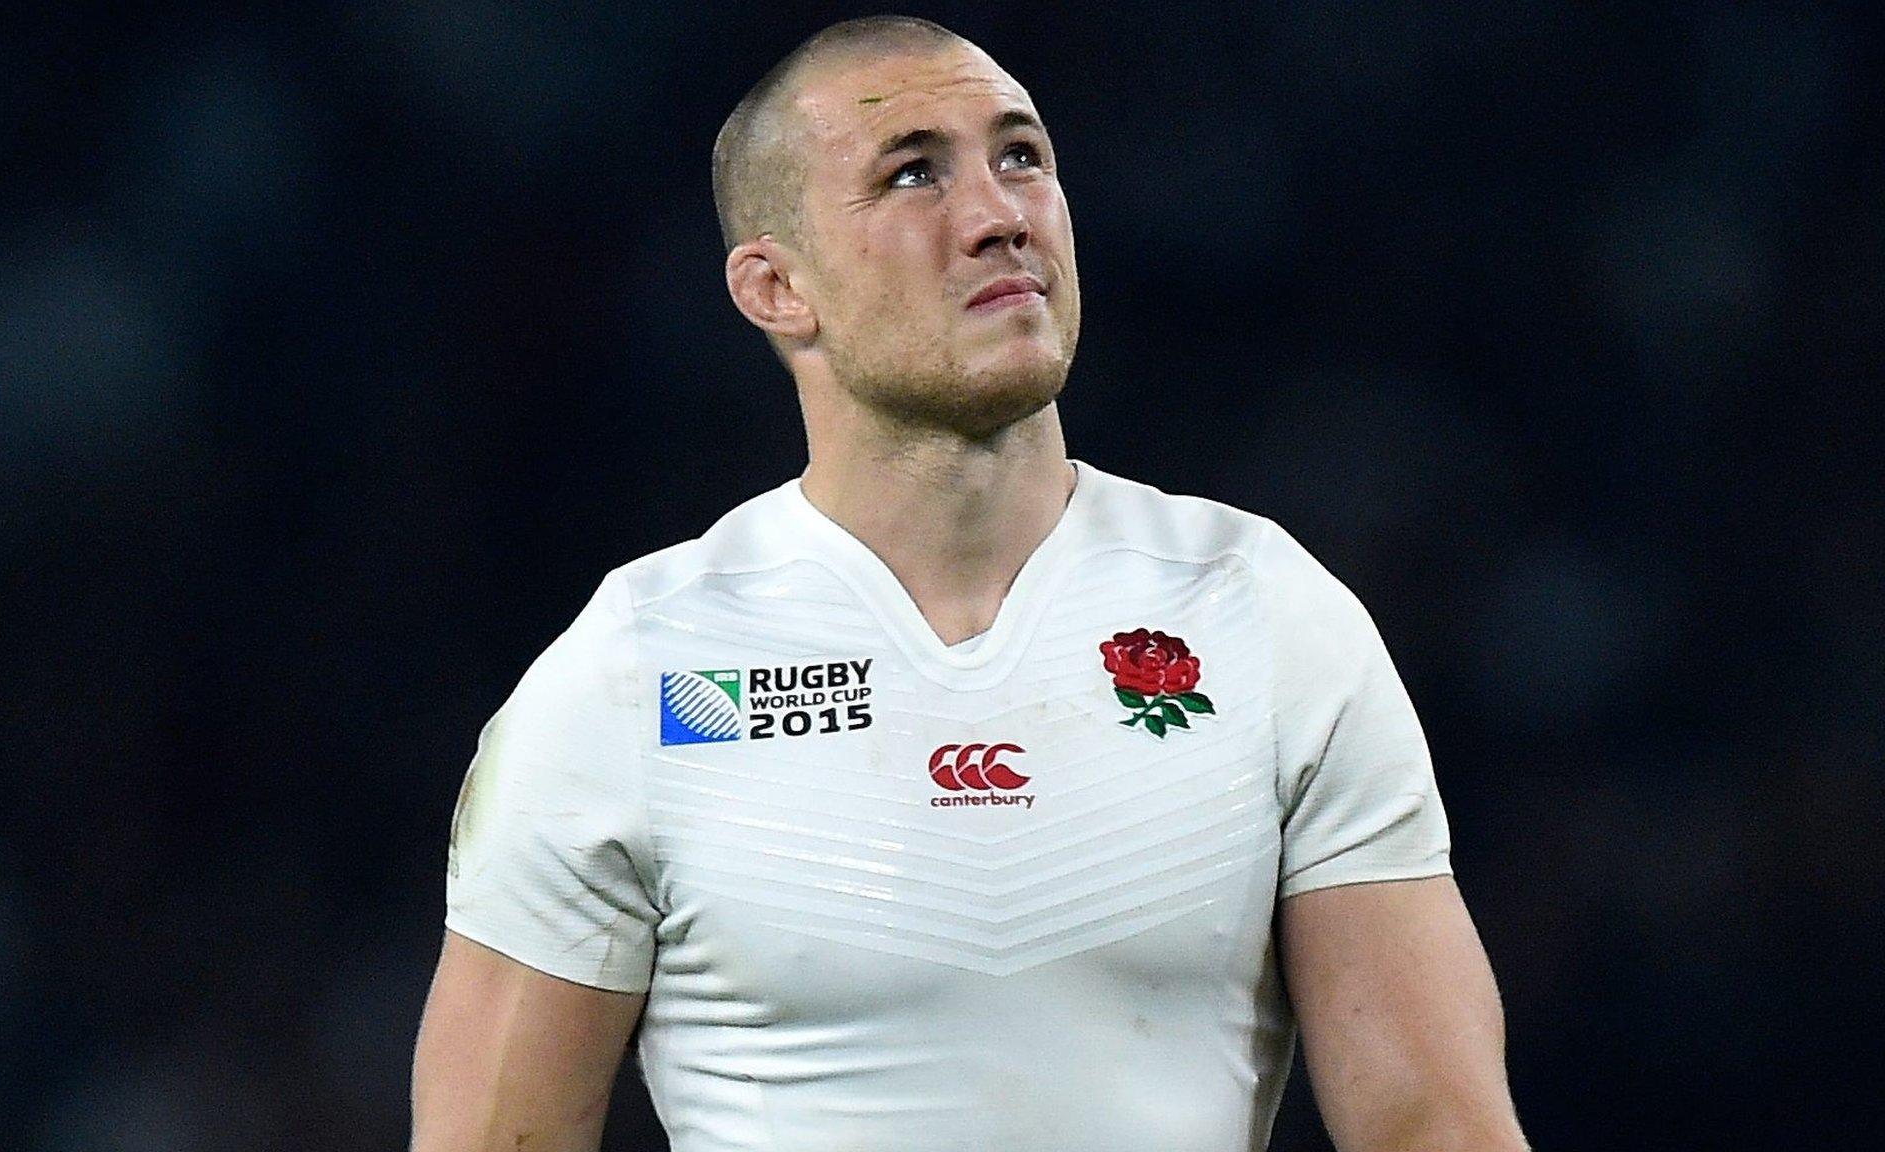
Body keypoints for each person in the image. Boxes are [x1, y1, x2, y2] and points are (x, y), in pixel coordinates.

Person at [411, 15, 1529, 1152]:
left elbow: (1433, 1127)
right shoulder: (636, 672)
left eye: (1021, 157)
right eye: (912, 174)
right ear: (775, 288)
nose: (999, 217)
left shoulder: (1260, 613)